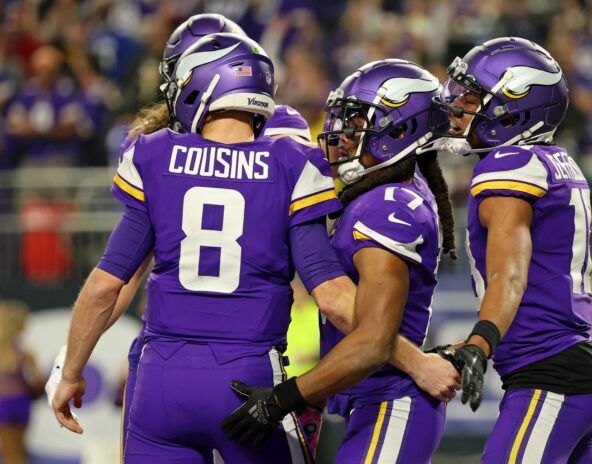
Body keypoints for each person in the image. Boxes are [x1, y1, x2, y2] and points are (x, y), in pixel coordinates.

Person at [49, 32, 347, 463]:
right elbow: (333, 297)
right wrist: (410, 358)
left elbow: (104, 286)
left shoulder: (153, 154)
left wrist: (70, 371)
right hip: (247, 378)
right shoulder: (293, 162)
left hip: (160, 381)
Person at [222, 59, 461, 463]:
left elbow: (371, 343)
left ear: (400, 130)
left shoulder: (386, 208)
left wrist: (285, 397)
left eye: (354, 124)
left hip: (390, 401)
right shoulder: (389, 189)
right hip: (373, 400)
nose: (339, 135)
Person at [431, 37, 592, 463]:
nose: (459, 107)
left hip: (550, 376)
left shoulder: (507, 166)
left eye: (473, 97)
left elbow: (509, 276)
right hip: (575, 368)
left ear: (513, 105)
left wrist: (481, 342)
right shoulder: (556, 160)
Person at [0, 300, 44, 464]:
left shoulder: (9, 353)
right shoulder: (25, 354)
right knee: (18, 452)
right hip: (21, 403)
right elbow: (37, 382)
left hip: (4, 404)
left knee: (10, 454)